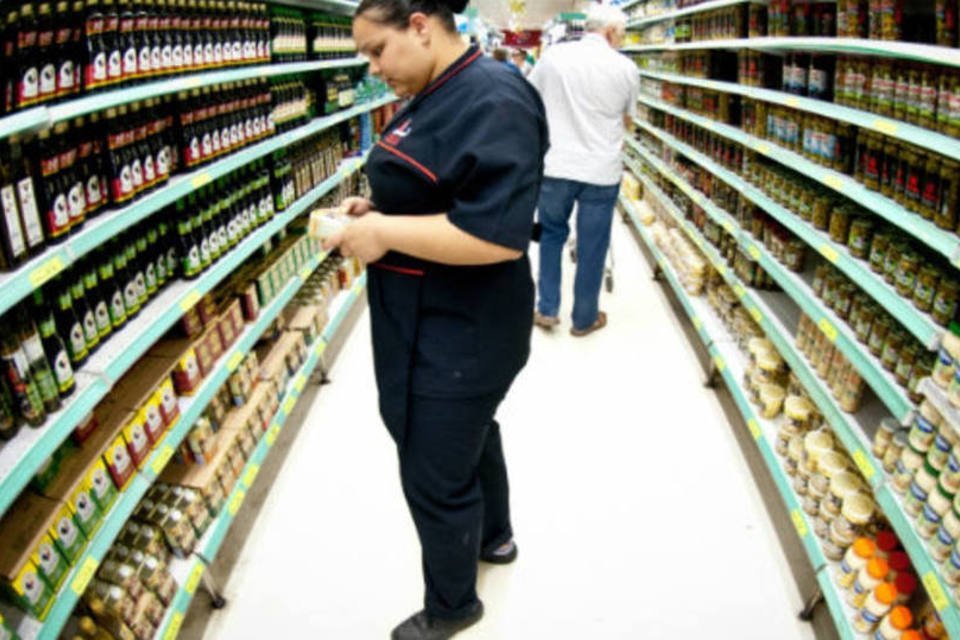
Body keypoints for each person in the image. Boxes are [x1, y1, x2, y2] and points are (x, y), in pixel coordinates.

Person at [324, 1, 548, 638]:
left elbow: (497, 237)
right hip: (441, 316)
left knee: (432, 469)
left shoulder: (494, 99)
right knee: (472, 435)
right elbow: (441, 185)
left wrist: (385, 233)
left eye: (377, 50)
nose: (372, 68)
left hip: (462, 328)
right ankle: (495, 538)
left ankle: (453, 606)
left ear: (420, 25)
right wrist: (380, 208)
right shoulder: (438, 87)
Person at [528, 4, 639, 336]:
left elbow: (529, 99)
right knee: (593, 245)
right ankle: (584, 318)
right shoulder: (626, 68)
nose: (621, 41)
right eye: (621, 35)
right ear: (610, 32)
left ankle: (547, 308)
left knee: (551, 235)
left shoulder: (553, 58)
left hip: (556, 164)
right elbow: (628, 120)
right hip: (601, 171)